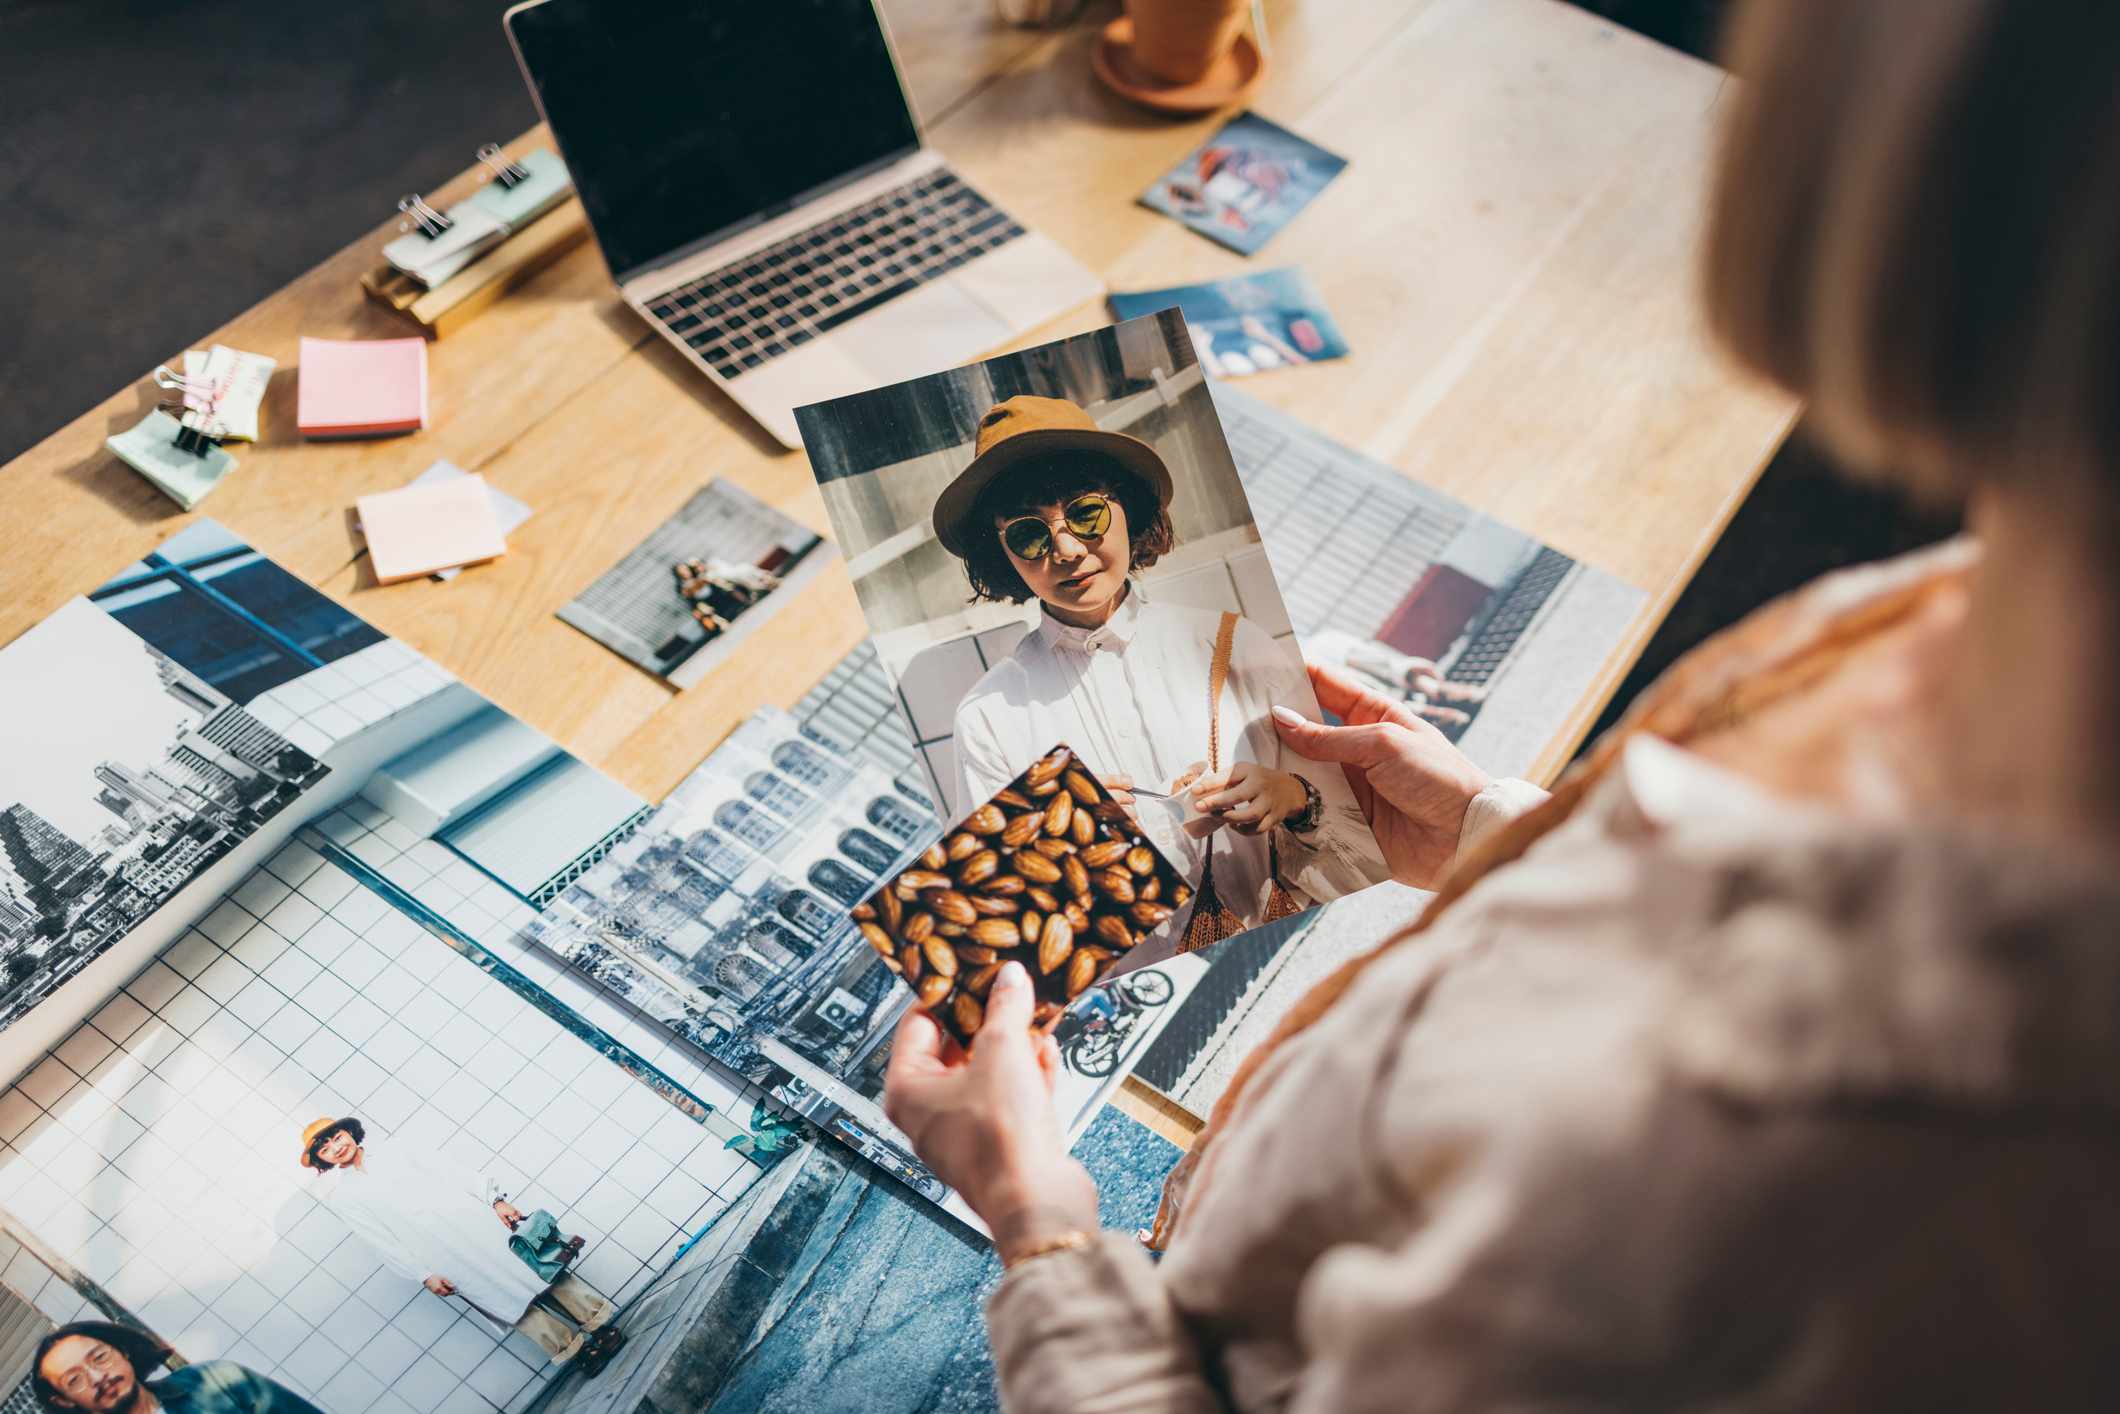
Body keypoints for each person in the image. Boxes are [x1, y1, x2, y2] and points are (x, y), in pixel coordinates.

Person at [884, 1, 2120, 1407]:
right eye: (1028, 537)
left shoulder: (1803, 1157)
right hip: (1240, 1177)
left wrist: (1041, 1235)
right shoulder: (1992, 580)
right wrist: (1494, 837)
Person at [938, 394, 1385, 939]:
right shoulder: (989, 719)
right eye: (1029, 534)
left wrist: (1294, 800)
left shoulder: (1237, 646)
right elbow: (988, 928)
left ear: (1126, 506)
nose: (1067, 550)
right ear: (1002, 555)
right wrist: (1063, 854)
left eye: (1085, 513)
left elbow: (1370, 853)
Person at [300, 1117, 617, 1365]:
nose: (337, 1146)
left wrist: (495, 1200)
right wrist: (424, 1274)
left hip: (477, 1226)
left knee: (538, 1273)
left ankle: (600, 1324)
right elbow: (381, 1241)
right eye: (325, 1148)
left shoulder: (398, 1148)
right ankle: (575, 1352)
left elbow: (452, 1171)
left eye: (336, 1136)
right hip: (440, 1255)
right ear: (322, 1160)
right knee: (508, 1302)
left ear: (349, 1132)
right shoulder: (345, 1197)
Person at [32, 1321, 319, 1414]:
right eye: (74, 1380)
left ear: (123, 1351)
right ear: (63, 1401)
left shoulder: (215, 1381)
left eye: (99, 1357)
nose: (97, 1377)